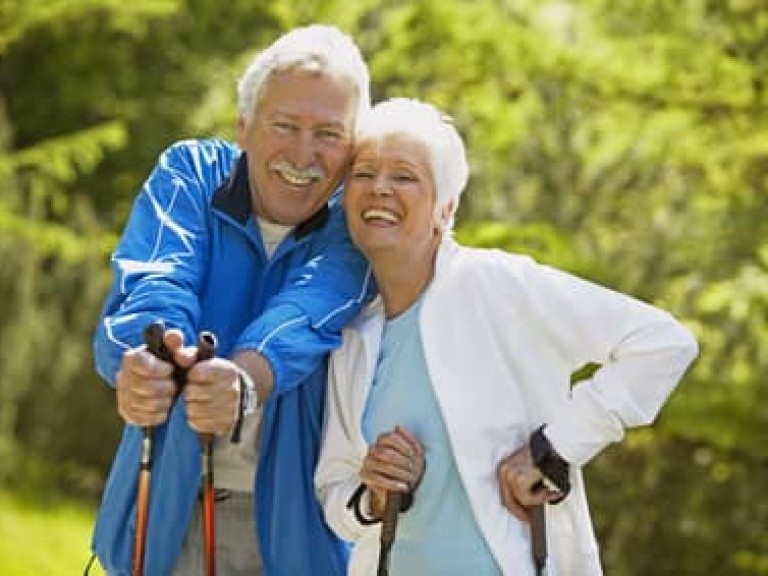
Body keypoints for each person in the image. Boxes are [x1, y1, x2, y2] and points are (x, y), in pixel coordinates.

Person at [314, 98, 699, 576]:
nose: (380, 189)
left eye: (405, 176)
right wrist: (373, 492)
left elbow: (662, 343)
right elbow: (333, 488)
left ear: (445, 208)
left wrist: (554, 451)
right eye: (364, 173)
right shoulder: (351, 335)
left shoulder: (493, 283)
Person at [89, 24, 375, 576]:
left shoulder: (357, 221)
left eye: (328, 134)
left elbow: (311, 307)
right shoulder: (190, 172)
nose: (303, 152)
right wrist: (152, 357)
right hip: (161, 519)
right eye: (285, 125)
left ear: (352, 149)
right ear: (243, 127)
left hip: (292, 541)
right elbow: (155, 279)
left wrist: (243, 382)